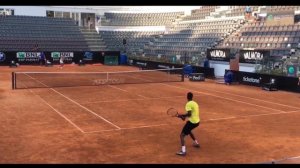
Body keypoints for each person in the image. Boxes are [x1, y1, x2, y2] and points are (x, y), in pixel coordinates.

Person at [176, 92, 201, 156]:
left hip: (192, 122)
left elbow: (189, 114)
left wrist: (182, 115)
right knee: (189, 130)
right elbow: (189, 115)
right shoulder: (195, 103)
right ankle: (196, 143)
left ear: (187, 97)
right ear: (192, 97)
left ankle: (183, 151)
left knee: (182, 135)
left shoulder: (188, 104)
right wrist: (182, 117)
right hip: (197, 122)